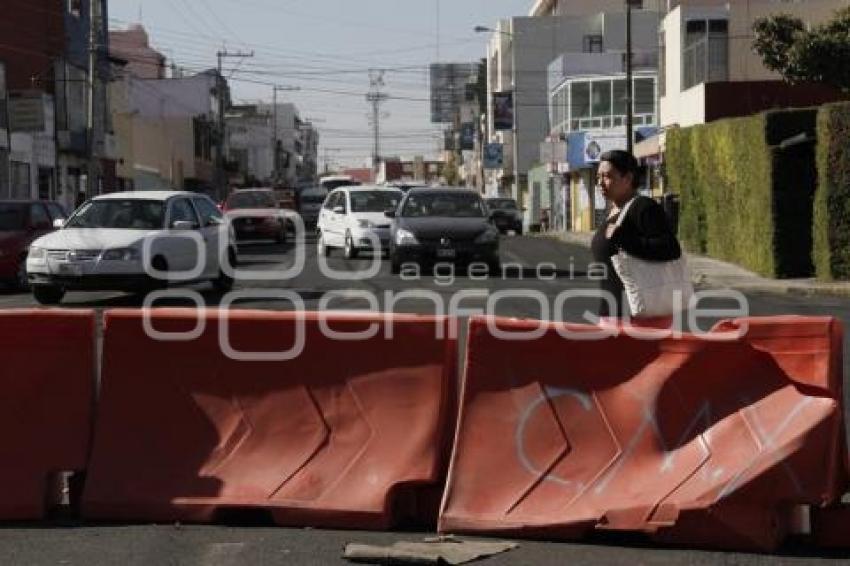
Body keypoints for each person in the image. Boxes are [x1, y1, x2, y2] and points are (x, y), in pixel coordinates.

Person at [590, 150, 682, 324]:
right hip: (613, 314)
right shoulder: (614, 211)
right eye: (598, 177)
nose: (600, 183)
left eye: (607, 176)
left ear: (628, 178)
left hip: (640, 316)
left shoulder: (643, 207)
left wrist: (623, 238)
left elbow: (670, 248)